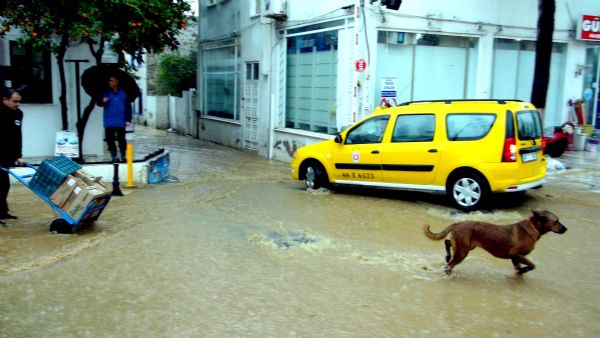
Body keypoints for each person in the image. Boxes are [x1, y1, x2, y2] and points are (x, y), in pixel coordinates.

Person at [0, 88, 25, 226]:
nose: (18, 104)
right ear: (5, 100)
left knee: (4, 185)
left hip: (6, 156)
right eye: (15, 101)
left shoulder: (18, 114)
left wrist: (18, 155)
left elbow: (17, 136)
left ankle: (3, 213)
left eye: (19, 101)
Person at [98, 75, 132, 163]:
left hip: (120, 120)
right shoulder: (105, 93)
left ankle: (123, 156)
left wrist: (128, 119)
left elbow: (128, 107)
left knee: (122, 140)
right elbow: (99, 103)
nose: (110, 82)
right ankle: (114, 156)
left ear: (117, 81)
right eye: (109, 81)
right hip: (109, 120)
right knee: (110, 139)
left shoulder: (124, 94)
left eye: (112, 80)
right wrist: (103, 101)